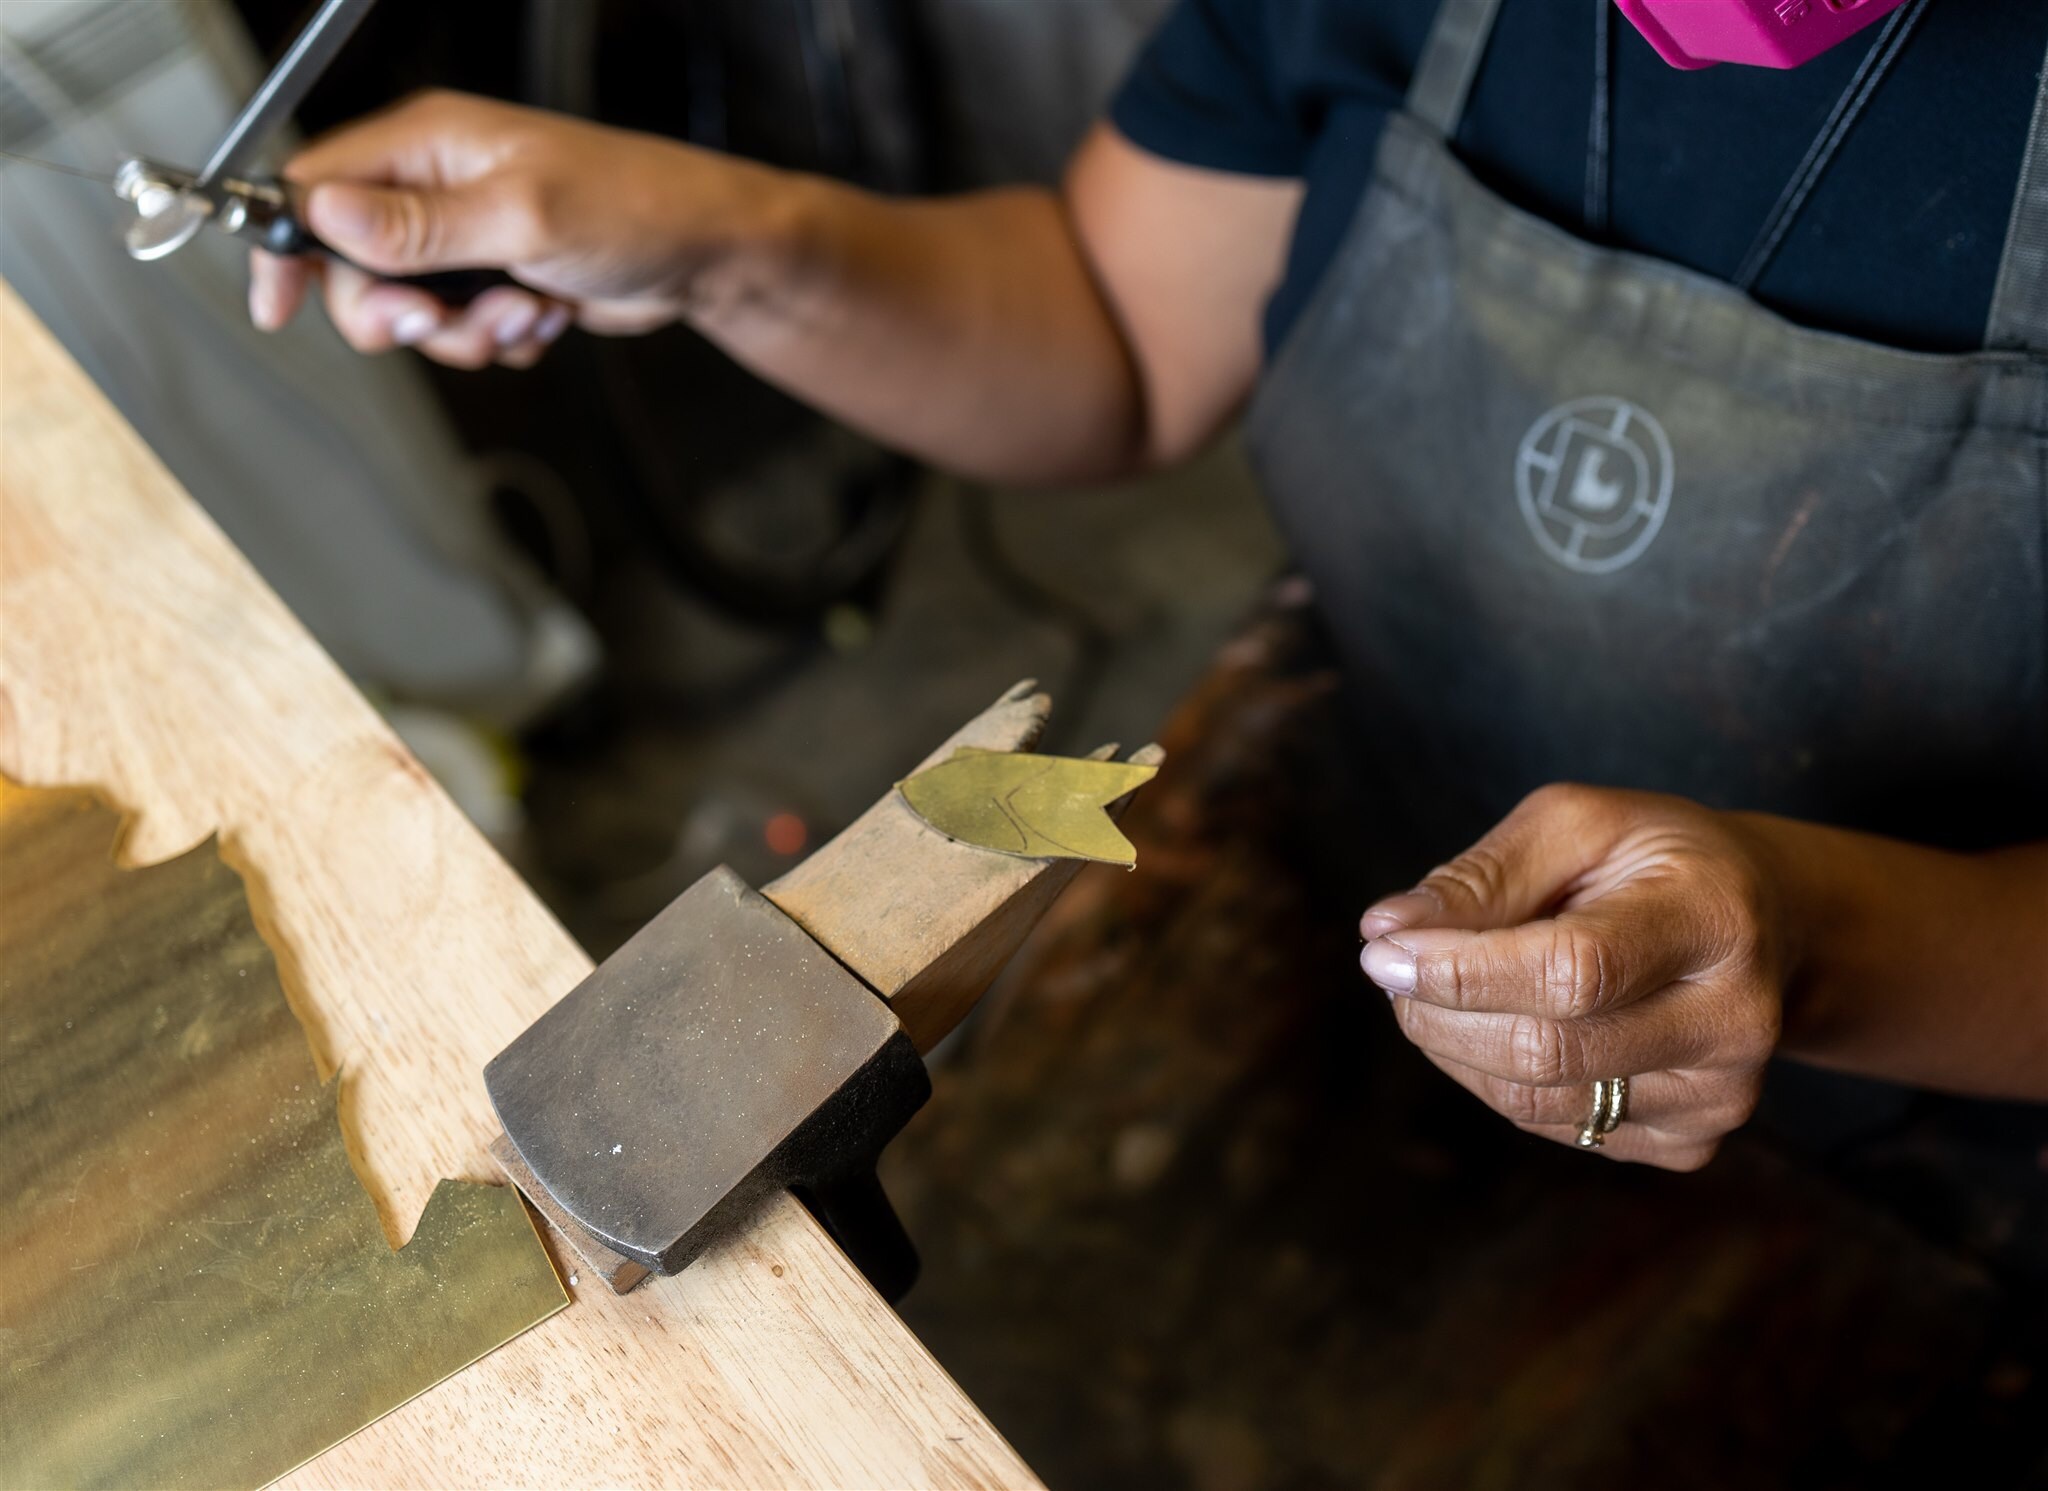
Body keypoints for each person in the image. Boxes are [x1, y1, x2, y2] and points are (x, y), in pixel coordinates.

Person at [253, 0, 2048, 1168]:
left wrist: (1826, 949)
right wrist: (731, 244)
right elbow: (1119, 326)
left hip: (1950, 1117)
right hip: (1374, 898)